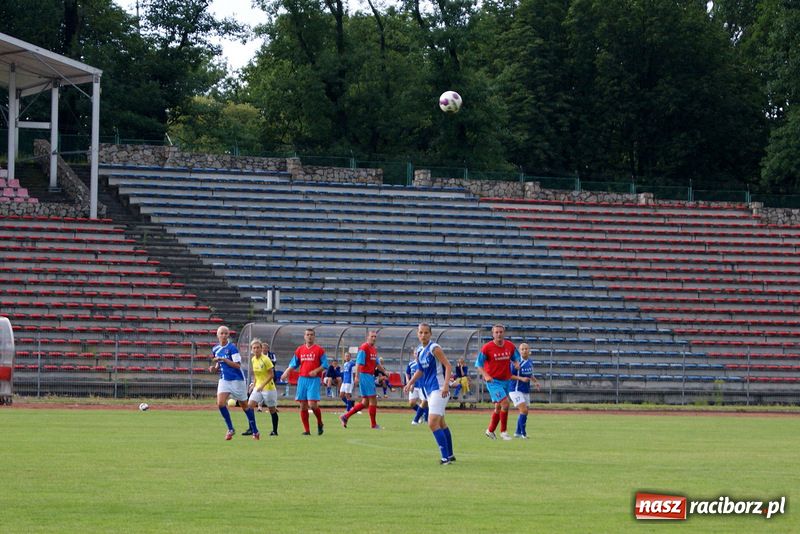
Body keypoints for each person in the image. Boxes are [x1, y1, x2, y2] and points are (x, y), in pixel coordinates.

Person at [404, 323, 455, 464]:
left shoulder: (434, 348)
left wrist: (446, 385)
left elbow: (448, 365)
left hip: (439, 389)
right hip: (429, 390)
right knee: (441, 423)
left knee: (432, 423)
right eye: (421, 332)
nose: (423, 335)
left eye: (426, 332)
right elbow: (420, 371)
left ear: (430, 334)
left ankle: (445, 458)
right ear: (417, 334)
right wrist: (410, 382)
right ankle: (450, 455)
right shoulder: (420, 351)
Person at [208, 325, 260, 440]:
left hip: (237, 380)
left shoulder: (232, 348)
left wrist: (225, 360)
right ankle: (230, 429)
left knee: (245, 406)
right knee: (220, 403)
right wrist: (214, 368)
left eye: (226, 333)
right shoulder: (215, 349)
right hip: (224, 379)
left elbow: (237, 365)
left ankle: (255, 430)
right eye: (221, 333)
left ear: (228, 335)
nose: (224, 335)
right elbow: (218, 364)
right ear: (217, 335)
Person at [475, 324, 520, 441]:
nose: (499, 334)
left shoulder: (509, 346)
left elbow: (516, 357)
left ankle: (490, 431)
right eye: (496, 332)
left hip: (506, 380)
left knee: (498, 407)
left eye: (501, 332)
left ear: (504, 333)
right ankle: (503, 432)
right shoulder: (487, 348)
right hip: (493, 381)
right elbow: (478, 364)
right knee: (505, 403)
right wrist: (485, 375)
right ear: (492, 334)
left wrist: (516, 363)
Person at [280, 328, 328, 435]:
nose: (309, 336)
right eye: (307, 334)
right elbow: (294, 363)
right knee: (303, 405)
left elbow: (325, 364)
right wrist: (286, 372)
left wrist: (316, 371)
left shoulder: (319, 350)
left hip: (314, 380)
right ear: (304, 336)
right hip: (302, 379)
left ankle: (320, 422)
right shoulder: (300, 349)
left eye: (311, 334)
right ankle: (307, 430)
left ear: (314, 336)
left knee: (312, 404)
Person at [339, 330, 387, 430]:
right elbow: (358, 363)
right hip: (365, 376)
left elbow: (377, 364)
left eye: (375, 336)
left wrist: (385, 372)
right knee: (373, 399)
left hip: (369, 376)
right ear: (367, 337)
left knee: (365, 402)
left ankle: (345, 417)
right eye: (372, 336)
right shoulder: (364, 348)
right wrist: (356, 376)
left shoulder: (373, 349)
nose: (374, 338)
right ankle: (373, 425)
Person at [244, 338, 280, 437]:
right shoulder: (253, 359)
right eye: (254, 348)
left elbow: (271, 375)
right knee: (249, 406)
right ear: (252, 350)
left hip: (268, 388)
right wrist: (253, 385)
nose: (256, 350)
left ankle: (275, 431)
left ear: (261, 348)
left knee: (272, 409)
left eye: (258, 348)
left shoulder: (266, 359)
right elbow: (256, 374)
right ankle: (252, 429)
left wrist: (263, 385)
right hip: (258, 387)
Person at [510, 342, 539, 439]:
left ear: (529, 350)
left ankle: (517, 432)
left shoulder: (530, 362)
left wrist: (535, 382)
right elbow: (510, 375)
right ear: (519, 351)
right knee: (523, 410)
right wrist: (521, 379)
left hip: (525, 390)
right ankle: (523, 433)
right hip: (515, 390)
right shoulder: (516, 362)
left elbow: (530, 374)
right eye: (522, 349)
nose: (524, 350)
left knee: (525, 412)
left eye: (526, 349)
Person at [406, 356, 428, 425]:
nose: (417, 355)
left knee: (424, 402)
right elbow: (407, 373)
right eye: (415, 353)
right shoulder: (411, 364)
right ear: (413, 354)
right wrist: (408, 383)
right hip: (414, 386)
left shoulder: (424, 363)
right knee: (411, 403)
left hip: (422, 385)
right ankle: (421, 413)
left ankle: (425, 419)